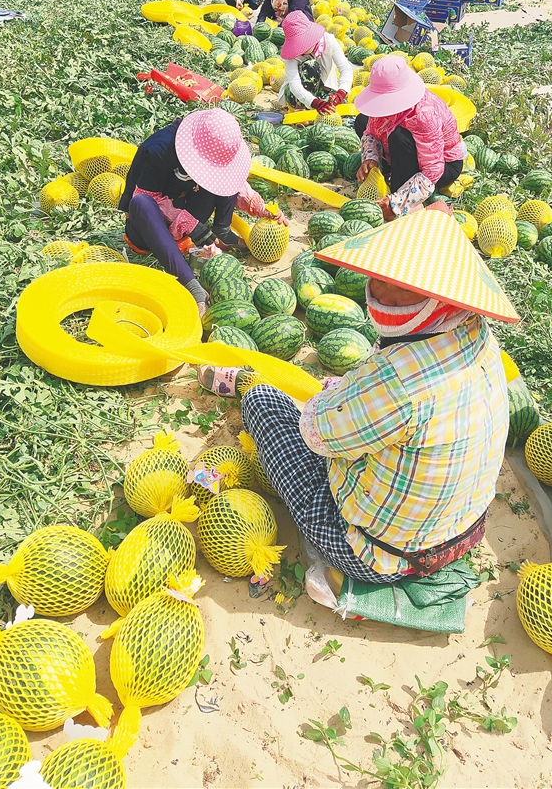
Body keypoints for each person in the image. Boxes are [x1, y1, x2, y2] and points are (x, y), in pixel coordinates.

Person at [199, 204, 517, 585]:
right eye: (383, 276)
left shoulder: (395, 380)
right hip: (459, 533)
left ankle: (248, 386)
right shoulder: (479, 336)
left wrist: (336, 394)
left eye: (402, 288)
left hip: (377, 556)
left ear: (439, 299)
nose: (379, 291)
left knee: (264, 403)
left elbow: (315, 432)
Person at [119, 108, 287, 316]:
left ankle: (220, 233)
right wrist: (191, 225)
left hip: (184, 229)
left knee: (226, 178)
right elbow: (145, 197)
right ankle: (191, 285)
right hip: (149, 229)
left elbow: (232, 180)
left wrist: (261, 208)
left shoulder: (212, 153)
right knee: (142, 204)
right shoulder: (160, 150)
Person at [354, 55, 467, 221]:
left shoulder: (424, 116)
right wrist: (371, 158)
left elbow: (432, 171)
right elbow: (371, 131)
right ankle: (391, 170)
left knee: (398, 137)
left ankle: (404, 195)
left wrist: (397, 203)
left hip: (442, 165)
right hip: (408, 152)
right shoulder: (384, 106)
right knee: (362, 120)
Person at [279, 10, 352, 114]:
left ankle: (315, 106)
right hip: (295, 94)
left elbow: (345, 68)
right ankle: (300, 109)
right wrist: (314, 103)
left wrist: (341, 92)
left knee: (334, 106)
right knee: (311, 65)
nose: (300, 49)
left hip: (322, 88)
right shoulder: (291, 54)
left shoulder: (329, 41)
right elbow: (295, 84)